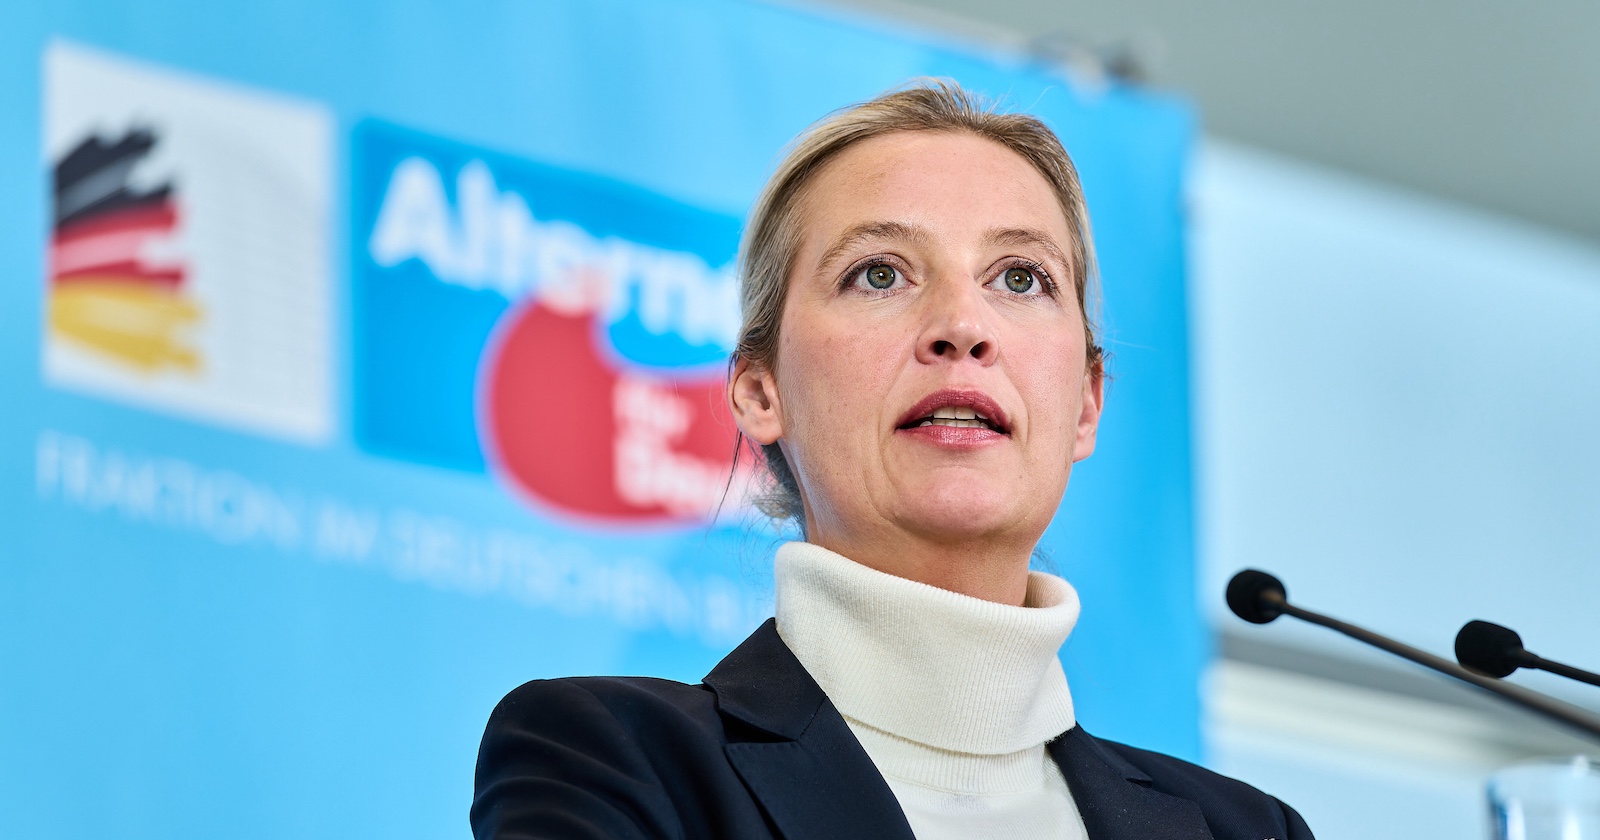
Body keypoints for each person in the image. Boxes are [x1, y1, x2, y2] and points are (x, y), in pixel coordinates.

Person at [471, 80, 1314, 840]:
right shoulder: (615, 761)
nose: (963, 324)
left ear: (1087, 404)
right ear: (761, 391)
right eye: (879, 273)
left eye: (1020, 279)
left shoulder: (1245, 831)